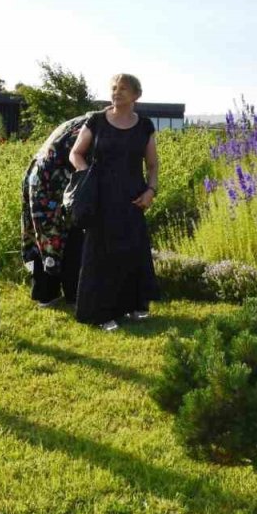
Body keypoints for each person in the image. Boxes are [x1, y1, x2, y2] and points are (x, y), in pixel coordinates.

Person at [69, 74, 160, 331]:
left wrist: (151, 191)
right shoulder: (96, 121)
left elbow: (152, 165)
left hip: (133, 198)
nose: (116, 92)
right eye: (114, 88)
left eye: (123, 89)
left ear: (136, 95)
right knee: (101, 255)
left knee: (131, 251)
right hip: (101, 197)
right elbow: (75, 154)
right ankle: (101, 313)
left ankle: (133, 305)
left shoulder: (145, 126)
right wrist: (87, 175)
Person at [22, 114, 90, 308]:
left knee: (44, 237)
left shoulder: (79, 122)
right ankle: (73, 293)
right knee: (69, 235)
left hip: (38, 178)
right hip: (52, 184)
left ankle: (46, 293)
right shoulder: (92, 128)